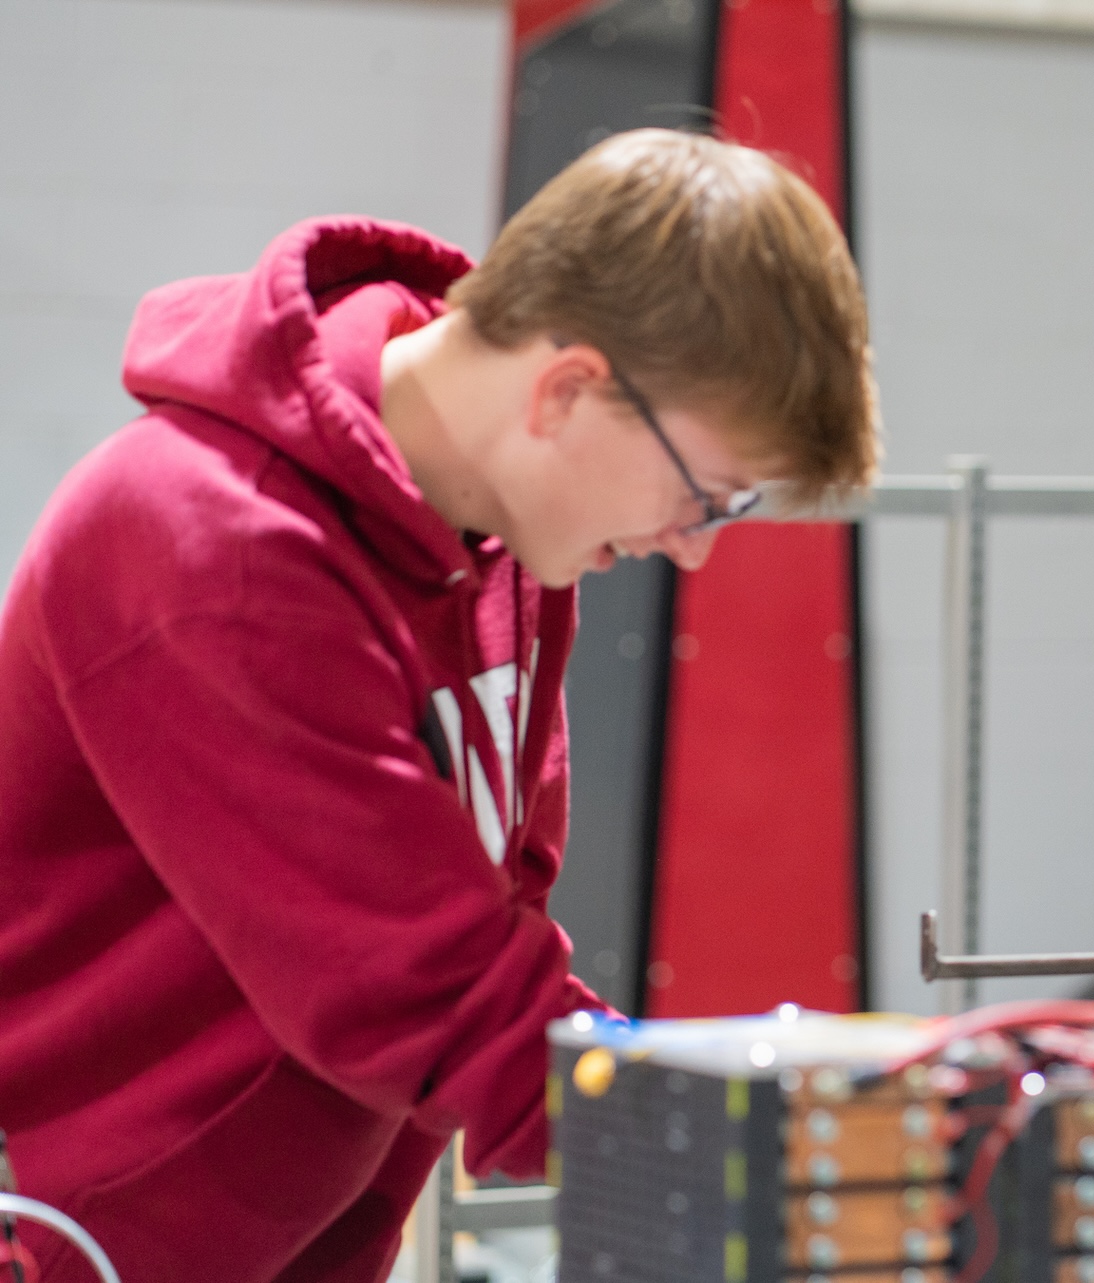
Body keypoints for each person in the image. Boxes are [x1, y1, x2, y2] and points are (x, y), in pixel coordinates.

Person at [0, 129, 875, 1282]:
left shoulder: (504, 539)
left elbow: (495, 923)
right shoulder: (212, 541)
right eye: (700, 493)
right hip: (83, 1245)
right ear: (568, 389)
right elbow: (423, 991)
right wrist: (790, 1138)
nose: (691, 547)